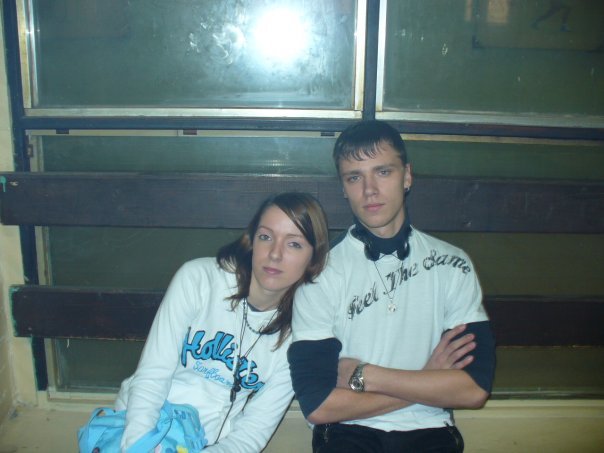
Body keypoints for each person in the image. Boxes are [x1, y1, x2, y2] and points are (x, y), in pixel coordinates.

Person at [288, 120, 496, 452]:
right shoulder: (318, 273)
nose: (369, 190)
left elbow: (473, 389)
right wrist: (427, 377)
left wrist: (364, 376)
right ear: (343, 187)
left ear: (407, 176)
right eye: (354, 177)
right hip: (347, 432)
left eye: (382, 172)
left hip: (430, 429)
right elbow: (318, 406)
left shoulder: (453, 264)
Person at [115, 192, 330, 452]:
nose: (275, 254)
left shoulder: (300, 335)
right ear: (252, 241)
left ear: (313, 258)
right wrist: (139, 447)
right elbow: (152, 376)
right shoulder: (199, 279)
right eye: (266, 237)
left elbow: (251, 433)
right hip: (137, 431)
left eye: (294, 244)